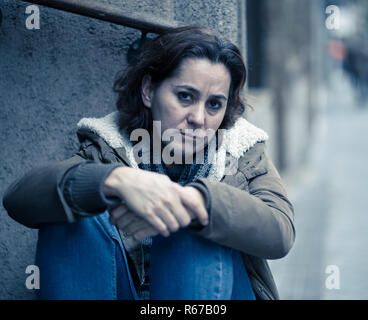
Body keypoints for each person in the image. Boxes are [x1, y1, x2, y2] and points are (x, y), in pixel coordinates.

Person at [2, 26, 295, 300]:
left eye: (214, 104)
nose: (198, 118)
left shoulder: (240, 149)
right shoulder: (110, 144)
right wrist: (115, 180)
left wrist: (195, 201)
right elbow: (19, 200)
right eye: (184, 96)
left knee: (196, 219)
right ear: (148, 91)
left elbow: (280, 232)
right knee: (75, 214)